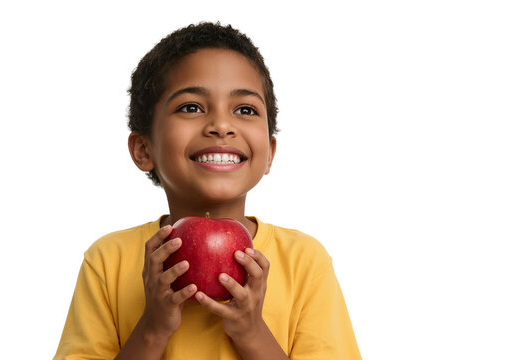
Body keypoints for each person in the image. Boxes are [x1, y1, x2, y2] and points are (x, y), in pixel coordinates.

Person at [54, 22, 361, 360]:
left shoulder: (305, 262)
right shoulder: (108, 261)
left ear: (270, 152)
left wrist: (253, 333)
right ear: (144, 149)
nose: (221, 125)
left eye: (245, 110)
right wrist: (153, 328)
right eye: (191, 107)